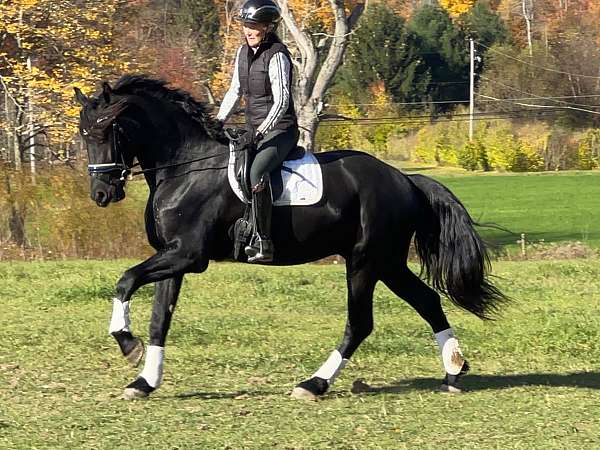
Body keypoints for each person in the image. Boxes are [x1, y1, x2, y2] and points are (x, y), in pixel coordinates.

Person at [216, 0, 299, 263]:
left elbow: (282, 100)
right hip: (254, 129)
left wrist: (260, 132)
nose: (248, 30)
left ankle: (264, 241)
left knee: (256, 172)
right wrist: (217, 122)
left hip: (280, 131)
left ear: (268, 27)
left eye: (254, 26)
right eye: (246, 25)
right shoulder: (242, 52)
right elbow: (235, 91)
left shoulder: (277, 55)